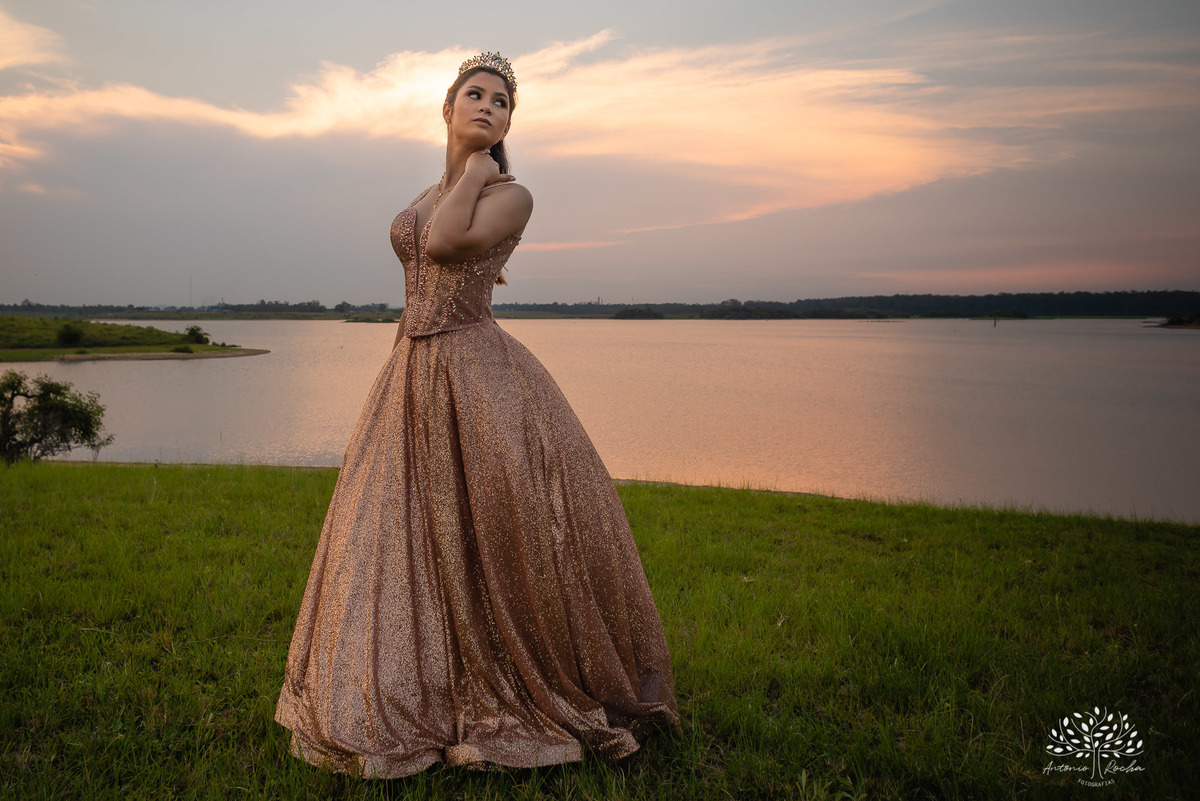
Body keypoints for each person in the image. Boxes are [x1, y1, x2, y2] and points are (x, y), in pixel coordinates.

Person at [275, 52, 683, 778]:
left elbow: (445, 243)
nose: (488, 106)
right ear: (447, 106)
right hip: (410, 371)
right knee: (396, 534)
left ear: (507, 123)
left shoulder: (509, 194)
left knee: (493, 530)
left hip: (478, 370)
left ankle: (509, 684)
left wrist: (471, 171)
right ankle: (412, 686)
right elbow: (418, 256)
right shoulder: (433, 188)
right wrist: (453, 180)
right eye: (475, 94)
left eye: (501, 101)